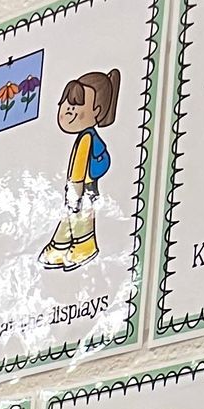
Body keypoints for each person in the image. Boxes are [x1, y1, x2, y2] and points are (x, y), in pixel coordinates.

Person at [39, 68, 120, 272]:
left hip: (82, 188)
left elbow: (78, 170)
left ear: (97, 112)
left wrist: (73, 193)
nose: (67, 111)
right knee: (69, 217)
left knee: (80, 218)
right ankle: (59, 249)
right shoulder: (83, 137)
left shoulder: (86, 138)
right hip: (81, 187)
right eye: (65, 104)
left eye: (76, 106)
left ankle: (84, 247)